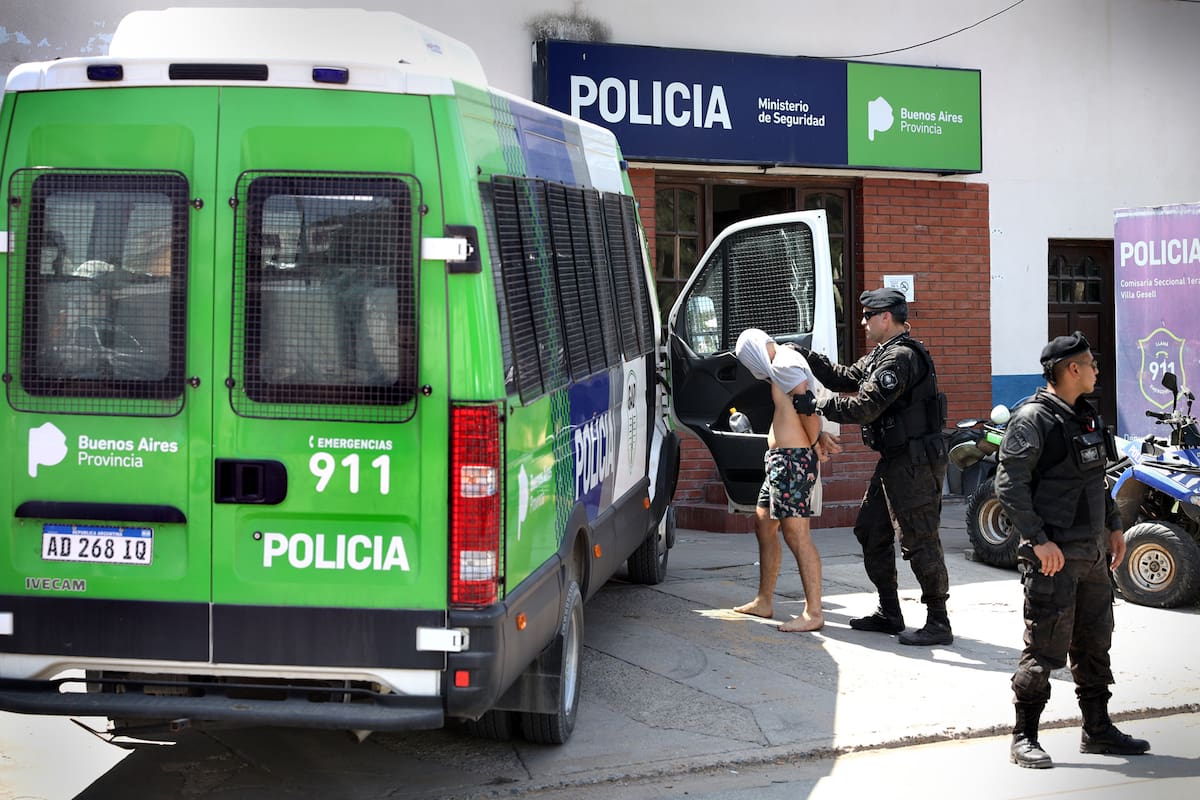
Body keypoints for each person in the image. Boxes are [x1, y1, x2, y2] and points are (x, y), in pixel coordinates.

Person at [994, 332, 1150, 769]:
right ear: (1072, 369)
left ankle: (1097, 730)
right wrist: (1038, 540)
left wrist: (1114, 526)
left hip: (1093, 554)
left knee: (1094, 644)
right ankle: (1024, 737)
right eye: (1091, 364)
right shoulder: (1032, 419)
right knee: (1044, 649)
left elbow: (1097, 477)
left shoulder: (1086, 416)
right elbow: (1009, 486)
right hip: (1054, 557)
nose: (1097, 370)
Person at [792, 288, 952, 646]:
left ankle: (938, 620)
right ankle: (889, 612)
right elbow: (845, 377)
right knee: (871, 530)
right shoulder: (883, 354)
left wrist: (817, 405)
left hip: (914, 462)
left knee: (919, 538)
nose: (862, 322)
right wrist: (806, 357)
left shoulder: (900, 358)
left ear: (886, 317)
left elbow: (865, 407)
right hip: (895, 460)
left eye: (867, 316)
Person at [731, 328, 834, 632]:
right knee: (764, 523)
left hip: (792, 460)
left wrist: (815, 442)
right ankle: (764, 601)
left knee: (796, 535)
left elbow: (807, 409)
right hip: (781, 461)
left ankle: (813, 613)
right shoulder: (782, 364)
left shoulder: (785, 364)